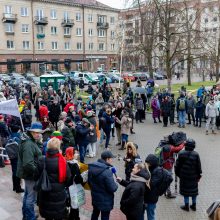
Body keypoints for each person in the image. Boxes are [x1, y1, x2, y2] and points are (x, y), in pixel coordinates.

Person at [37, 137, 71, 220]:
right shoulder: (63, 161)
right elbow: (68, 178)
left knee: (47, 216)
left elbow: (36, 176)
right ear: (58, 147)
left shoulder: (42, 160)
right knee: (58, 215)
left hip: (45, 192)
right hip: (59, 193)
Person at [16, 122, 43, 220]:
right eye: (35, 132)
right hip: (30, 174)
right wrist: (37, 172)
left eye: (39, 132)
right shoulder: (29, 143)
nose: (38, 134)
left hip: (28, 174)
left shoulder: (31, 140)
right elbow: (28, 164)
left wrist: (39, 142)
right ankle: (30, 217)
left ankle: (26, 215)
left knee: (28, 195)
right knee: (31, 198)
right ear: (31, 131)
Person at [88, 151, 118, 220]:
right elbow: (113, 188)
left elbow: (89, 183)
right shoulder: (107, 172)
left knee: (95, 213)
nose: (112, 160)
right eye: (111, 158)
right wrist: (116, 184)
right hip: (105, 201)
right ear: (107, 159)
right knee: (105, 217)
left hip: (95, 198)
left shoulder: (92, 167)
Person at [175, 139, 202, 211]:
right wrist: (199, 175)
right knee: (194, 191)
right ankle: (194, 205)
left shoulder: (181, 153)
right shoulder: (196, 154)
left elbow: (177, 166)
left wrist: (177, 174)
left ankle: (186, 206)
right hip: (194, 176)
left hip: (184, 176)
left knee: (185, 191)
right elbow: (199, 166)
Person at [142, 154, 166, 220]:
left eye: (148, 163)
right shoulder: (148, 169)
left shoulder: (158, 171)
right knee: (141, 214)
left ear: (152, 163)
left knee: (150, 215)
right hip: (144, 197)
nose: (146, 164)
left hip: (151, 199)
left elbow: (151, 184)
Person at [65, 147, 83, 220]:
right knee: (75, 206)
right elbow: (78, 179)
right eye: (75, 153)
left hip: (66, 187)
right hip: (73, 188)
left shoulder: (65, 162)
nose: (77, 154)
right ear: (71, 154)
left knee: (70, 204)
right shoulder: (74, 165)